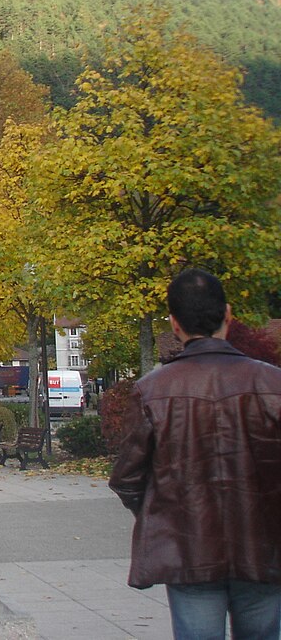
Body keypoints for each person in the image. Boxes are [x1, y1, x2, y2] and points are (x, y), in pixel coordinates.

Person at [108, 268, 281, 640]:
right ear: (228, 315)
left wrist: (165, 510)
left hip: (190, 546)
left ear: (174, 323)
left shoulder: (153, 389)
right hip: (264, 543)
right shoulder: (272, 383)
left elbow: (126, 477)